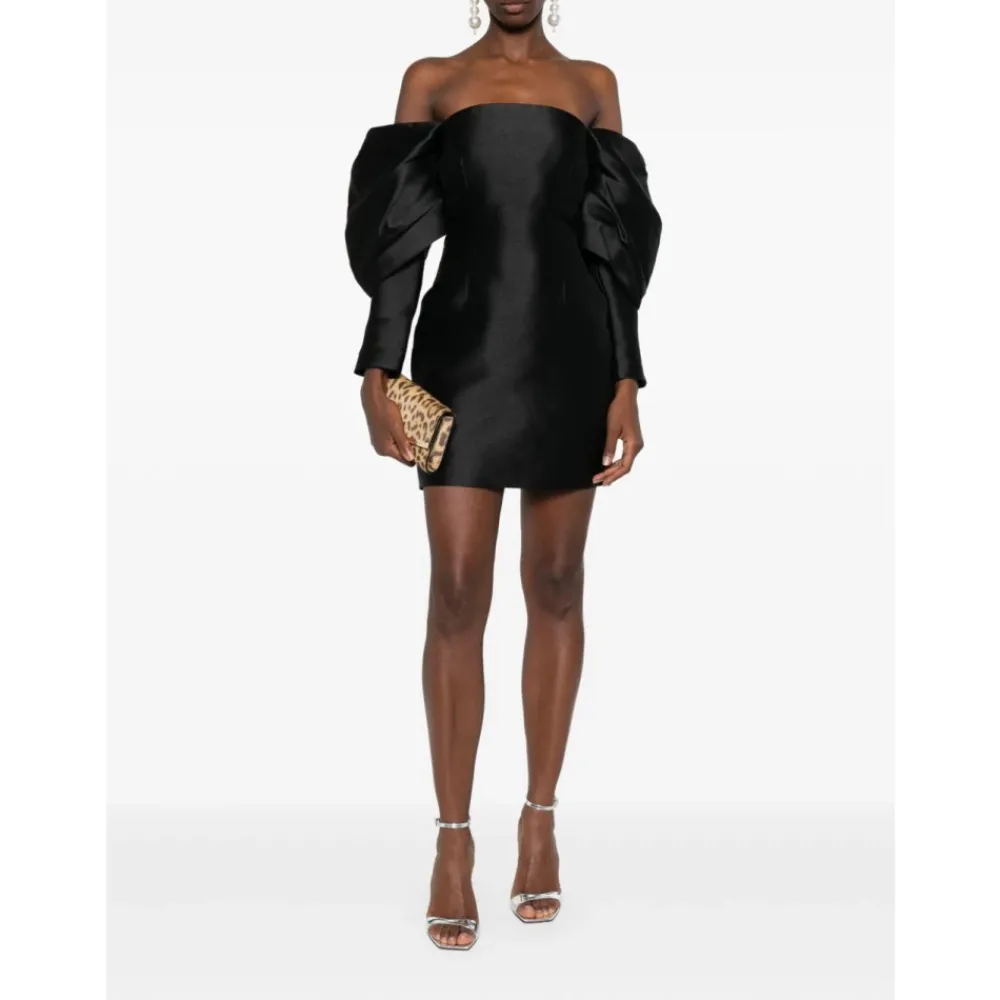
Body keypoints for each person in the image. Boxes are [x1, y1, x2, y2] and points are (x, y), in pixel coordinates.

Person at [346, 0, 661, 951]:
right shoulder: (432, 80)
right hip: (459, 356)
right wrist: (378, 367)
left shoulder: (593, 85)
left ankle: (539, 820)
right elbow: (401, 237)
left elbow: (614, 248)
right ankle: (452, 840)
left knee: (557, 583)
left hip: (569, 360)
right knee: (455, 590)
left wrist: (627, 379)